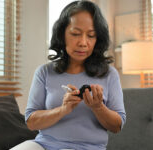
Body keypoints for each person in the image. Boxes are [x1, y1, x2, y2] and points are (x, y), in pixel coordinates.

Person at [11, 1, 126, 150]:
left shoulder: (109, 74)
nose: (83, 42)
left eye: (91, 36)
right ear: (62, 34)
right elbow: (31, 122)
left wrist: (98, 107)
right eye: (75, 34)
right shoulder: (44, 72)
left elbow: (117, 126)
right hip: (43, 145)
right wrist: (63, 109)